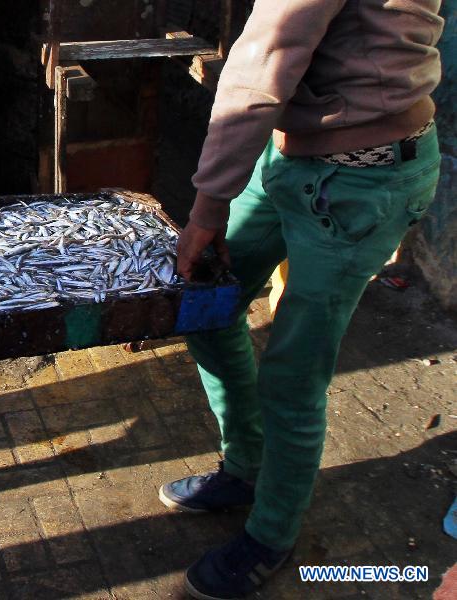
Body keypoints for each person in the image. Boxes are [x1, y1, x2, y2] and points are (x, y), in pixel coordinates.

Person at [162, 1, 443, 598]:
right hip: (289, 153)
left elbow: (268, 59)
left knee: (292, 375)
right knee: (209, 311)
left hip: (359, 181)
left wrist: (208, 206)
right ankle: (244, 468)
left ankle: (271, 534)